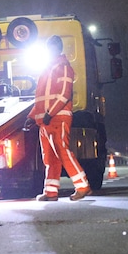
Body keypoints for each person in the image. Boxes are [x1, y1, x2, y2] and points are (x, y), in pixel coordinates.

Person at [31, 35, 92, 202]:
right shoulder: (47, 68)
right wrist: (33, 116)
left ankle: (82, 186)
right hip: (45, 119)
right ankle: (51, 191)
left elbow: (65, 94)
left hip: (57, 117)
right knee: (50, 157)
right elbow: (40, 96)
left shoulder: (64, 67)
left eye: (51, 47)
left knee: (63, 152)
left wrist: (50, 113)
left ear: (57, 49)